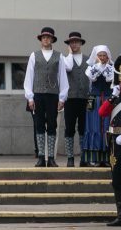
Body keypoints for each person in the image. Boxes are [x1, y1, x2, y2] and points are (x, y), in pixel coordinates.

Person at [23, 27, 68, 167]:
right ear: (41, 40)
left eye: (48, 37)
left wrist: (62, 98)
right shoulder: (34, 55)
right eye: (43, 37)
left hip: (53, 95)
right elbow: (29, 77)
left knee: (52, 125)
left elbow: (62, 77)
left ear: (52, 39)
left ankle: (51, 158)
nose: (46, 40)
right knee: (39, 125)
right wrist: (30, 97)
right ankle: (41, 157)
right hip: (38, 95)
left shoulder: (59, 56)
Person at [97, 69, 121, 226]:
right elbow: (101, 112)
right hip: (116, 143)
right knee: (117, 180)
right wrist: (112, 97)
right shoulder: (115, 98)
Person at [61, 32, 89, 168]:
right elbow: (68, 68)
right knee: (69, 128)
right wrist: (70, 54)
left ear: (81, 43)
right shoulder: (65, 59)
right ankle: (70, 157)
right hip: (70, 99)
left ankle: (84, 157)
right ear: (69, 44)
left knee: (84, 128)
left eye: (76, 42)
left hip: (84, 98)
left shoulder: (88, 60)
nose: (74, 44)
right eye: (71, 42)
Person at [84, 44, 114, 167]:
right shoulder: (91, 68)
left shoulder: (111, 68)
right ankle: (94, 157)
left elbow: (110, 80)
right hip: (94, 99)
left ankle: (107, 157)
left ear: (108, 57)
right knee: (94, 125)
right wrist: (97, 67)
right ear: (96, 56)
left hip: (107, 99)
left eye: (104, 55)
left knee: (106, 126)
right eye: (100, 55)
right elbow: (92, 77)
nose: (102, 58)